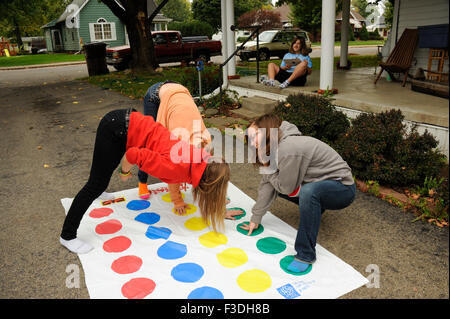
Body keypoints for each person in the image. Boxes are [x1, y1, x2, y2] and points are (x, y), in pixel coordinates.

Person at [60, 108, 231, 254]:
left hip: (129, 124)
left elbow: (206, 185)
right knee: (95, 184)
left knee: (102, 175)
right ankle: (67, 236)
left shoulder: (196, 159)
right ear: (207, 185)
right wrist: (124, 171)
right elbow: (133, 155)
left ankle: (101, 189)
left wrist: (220, 209)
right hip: (116, 127)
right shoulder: (176, 167)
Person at [242, 114, 356, 273]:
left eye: (256, 135)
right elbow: (268, 184)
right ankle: (316, 208)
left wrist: (268, 170)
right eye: (249, 138)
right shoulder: (273, 145)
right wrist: (256, 218)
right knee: (282, 184)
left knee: (306, 192)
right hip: (321, 184)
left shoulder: (287, 149)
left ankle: (305, 254)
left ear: (268, 131)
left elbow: (286, 187)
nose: (252, 142)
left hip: (342, 189)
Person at [137, 81, 212, 216]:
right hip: (155, 95)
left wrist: (214, 198)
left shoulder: (206, 141)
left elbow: (208, 173)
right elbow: (171, 173)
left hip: (179, 92)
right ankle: (142, 181)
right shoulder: (177, 146)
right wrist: (177, 200)